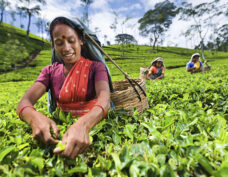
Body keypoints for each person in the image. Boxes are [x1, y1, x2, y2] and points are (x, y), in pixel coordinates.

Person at [16, 16, 111, 159]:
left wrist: (84, 125)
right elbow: (25, 102)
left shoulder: (96, 68)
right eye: (59, 43)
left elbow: (104, 98)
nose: (66, 48)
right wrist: (34, 118)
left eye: (71, 41)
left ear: (81, 40)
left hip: (95, 126)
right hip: (61, 128)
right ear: (54, 46)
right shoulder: (49, 72)